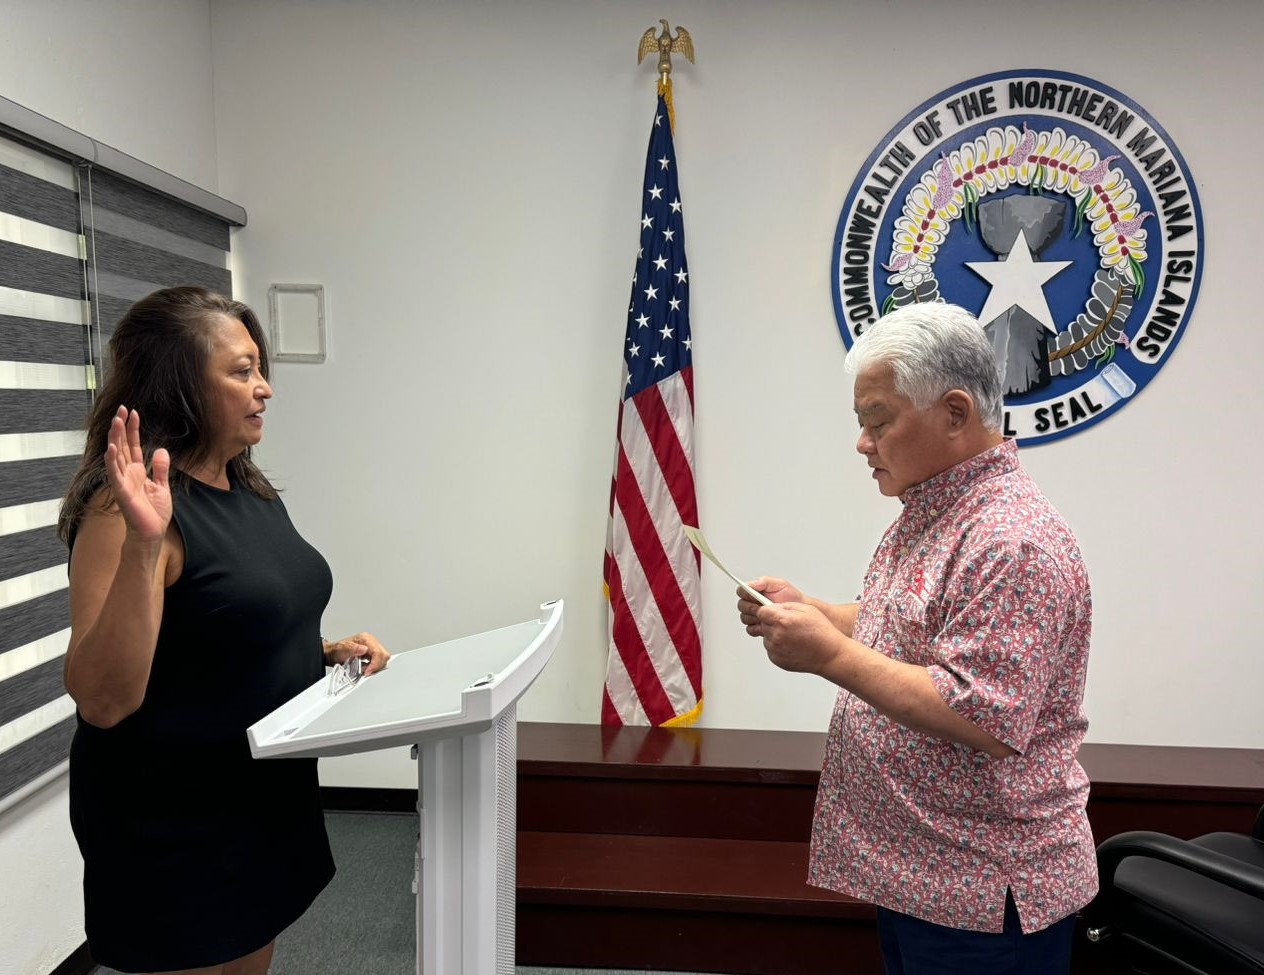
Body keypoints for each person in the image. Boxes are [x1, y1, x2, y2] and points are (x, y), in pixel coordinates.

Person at [736, 303, 1096, 975]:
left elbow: (979, 710)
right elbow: (909, 629)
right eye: (861, 422)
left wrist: (827, 653)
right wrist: (812, 610)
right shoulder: (936, 505)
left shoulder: (1011, 540)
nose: (863, 443)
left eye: (878, 421)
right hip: (926, 874)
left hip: (984, 897)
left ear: (955, 414)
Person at [58, 286, 391, 975]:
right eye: (242, 371)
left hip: (260, 796)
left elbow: (226, 623)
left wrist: (326, 652)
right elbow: (104, 698)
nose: (264, 387)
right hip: (177, 815)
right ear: (178, 381)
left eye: (260, 368)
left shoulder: (247, 485)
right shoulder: (125, 511)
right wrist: (144, 547)